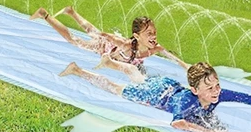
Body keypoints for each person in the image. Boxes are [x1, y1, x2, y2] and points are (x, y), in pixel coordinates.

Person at [60, 60, 251, 132]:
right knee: (116, 88)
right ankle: (78, 70)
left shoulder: (217, 94)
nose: (216, 91)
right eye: (210, 88)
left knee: (139, 78)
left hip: (169, 84)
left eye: (217, 85)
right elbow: (178, 123)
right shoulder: (186, 102)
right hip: (157, 95)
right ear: (195, 90)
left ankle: (111, 63)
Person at [31, 6, 189, 82]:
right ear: (136, 36)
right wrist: (101, 35)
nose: (154, 37)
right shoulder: (126, 45)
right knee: (75, 40)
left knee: (90, 29)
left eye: (154, 33)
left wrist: (187, 67)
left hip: (115, 51)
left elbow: (173, 58)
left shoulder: (156, 48)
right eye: (149, 34)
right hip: (104, 46)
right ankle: (44, 15)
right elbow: (111, 38)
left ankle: (71, 11)